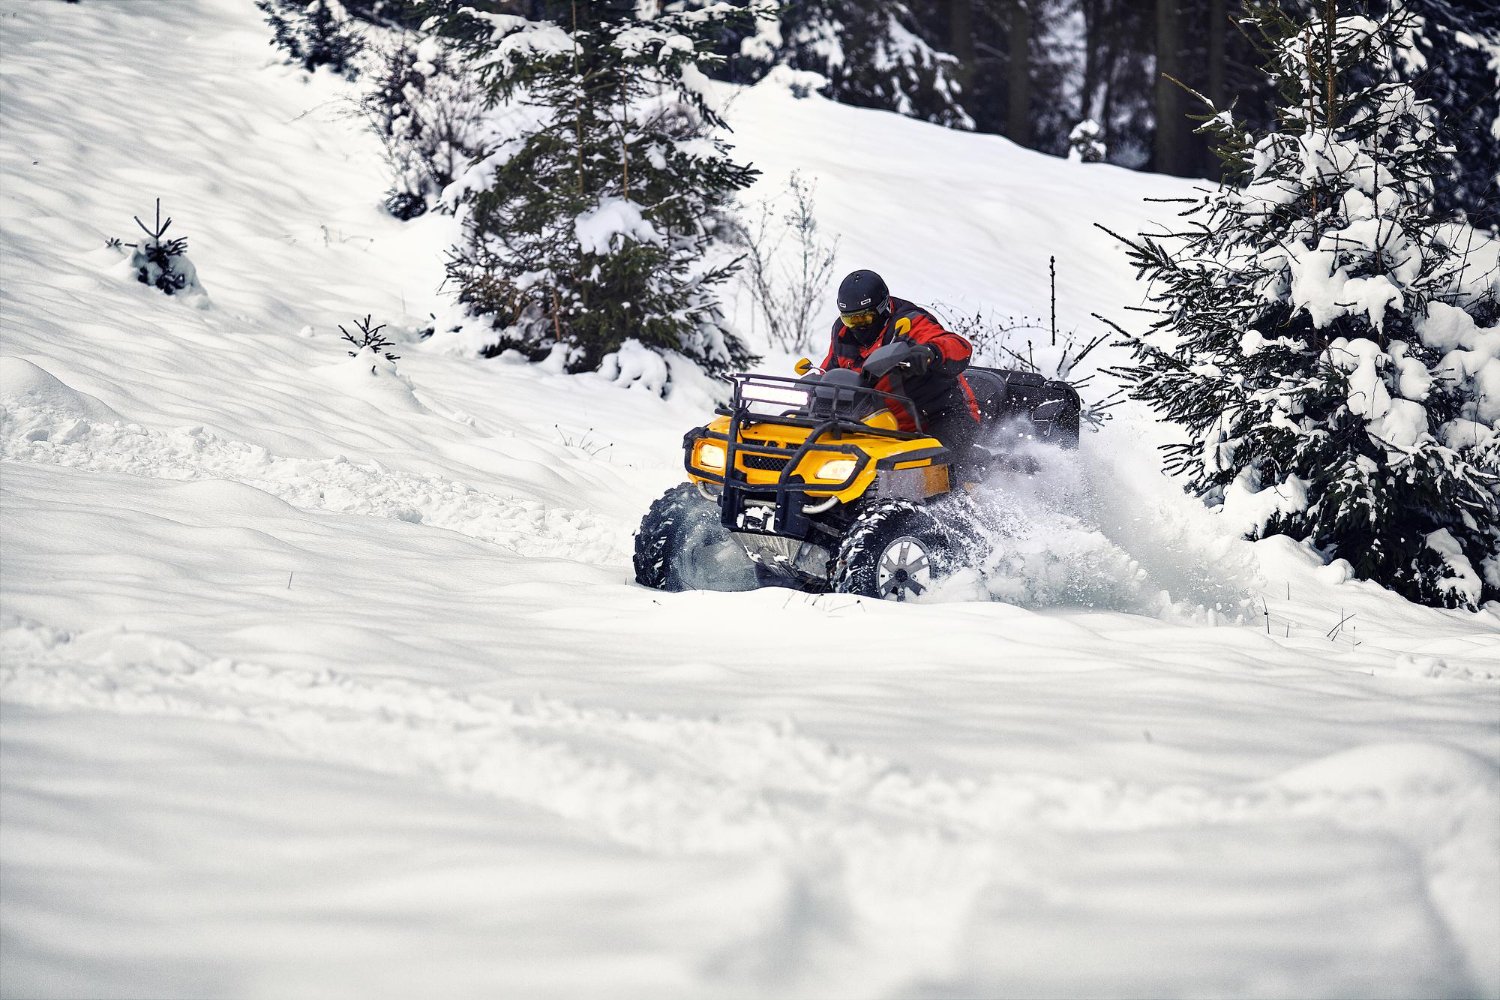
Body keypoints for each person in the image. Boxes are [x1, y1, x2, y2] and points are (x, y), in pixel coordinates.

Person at [816, 269, 980, 449]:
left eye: (865, 318)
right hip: (880, 426)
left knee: (932, 465)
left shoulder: (909, 323)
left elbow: (959, 346)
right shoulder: (842, 333)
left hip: (942, 417)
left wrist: (929, 352)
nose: (858, 326)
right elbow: (829, 371)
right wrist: (814, 384)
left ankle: (979, 471)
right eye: (851, 320)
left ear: (883, 308)